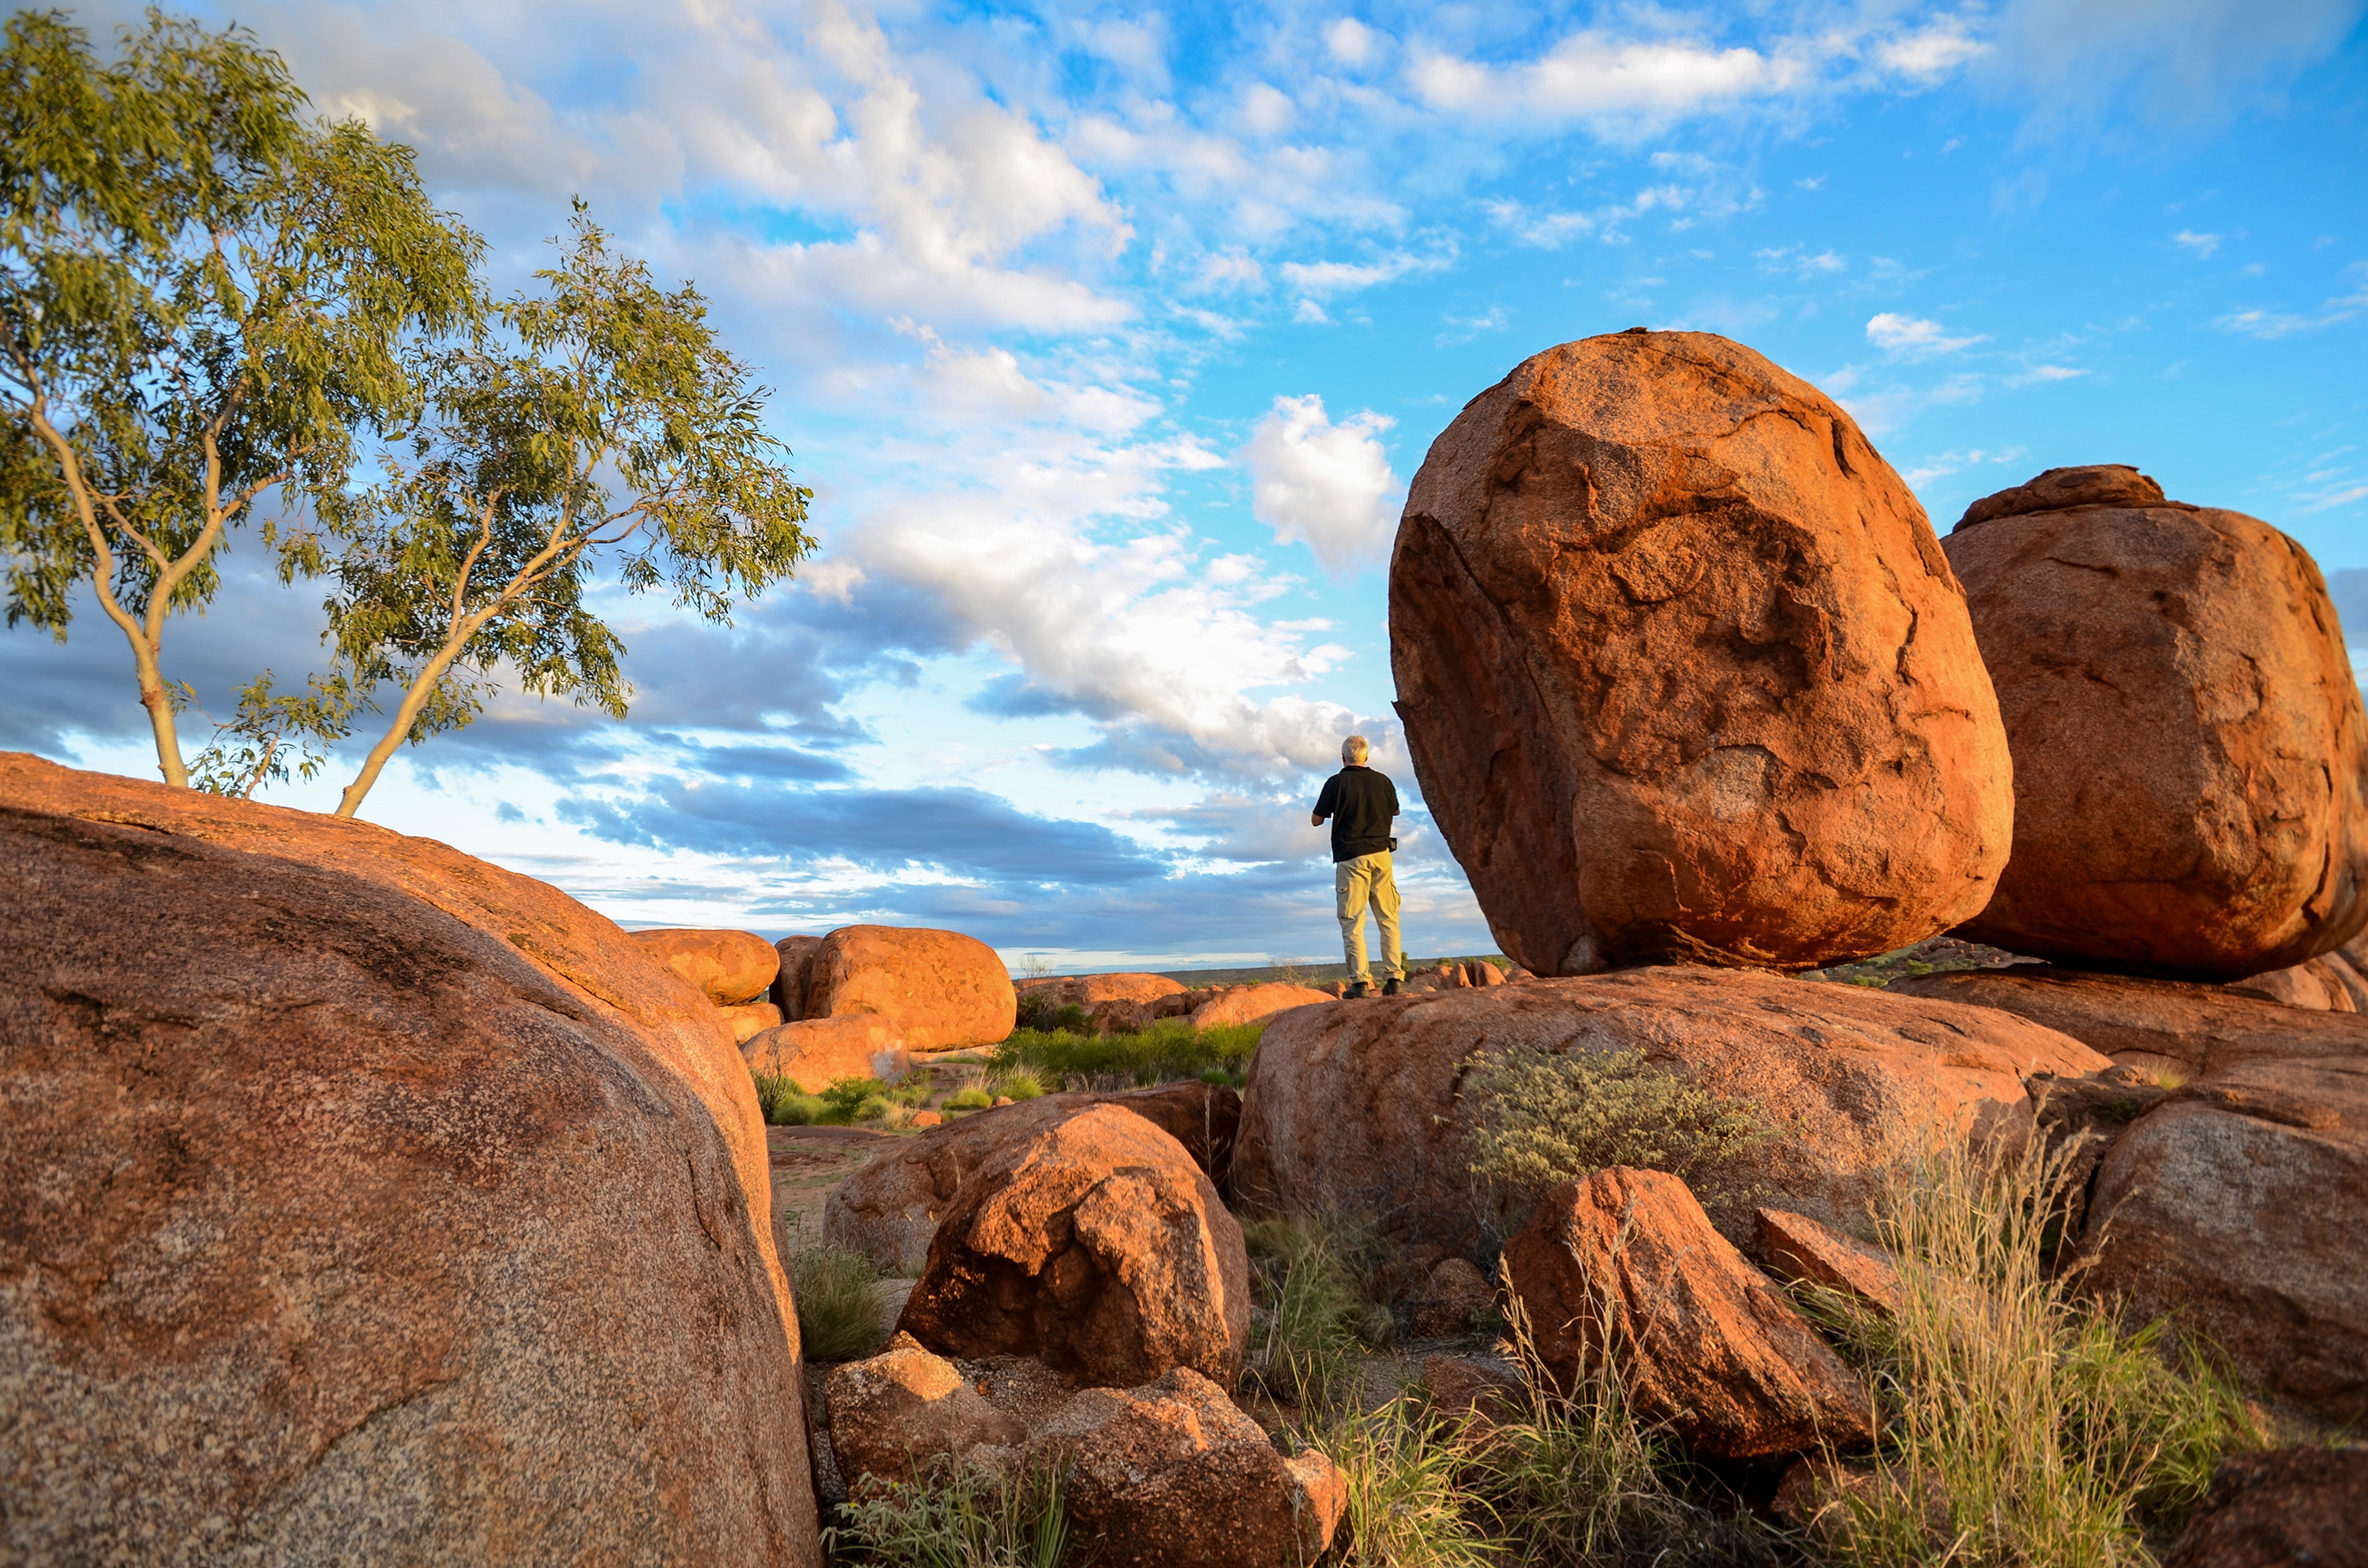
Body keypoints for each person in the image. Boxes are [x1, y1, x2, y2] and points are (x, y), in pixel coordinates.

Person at [1311, 734, 1403, 997]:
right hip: (1382, 855)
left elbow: (1317, 820)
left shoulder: (1336, 783)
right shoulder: (1383, 781)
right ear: (1366, 757)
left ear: (1343, 758)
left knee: (1352, 921)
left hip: (1351, 857)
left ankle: (1360, 983)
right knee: (1388, 919)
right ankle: (1395, 979)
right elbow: (1395, 811)